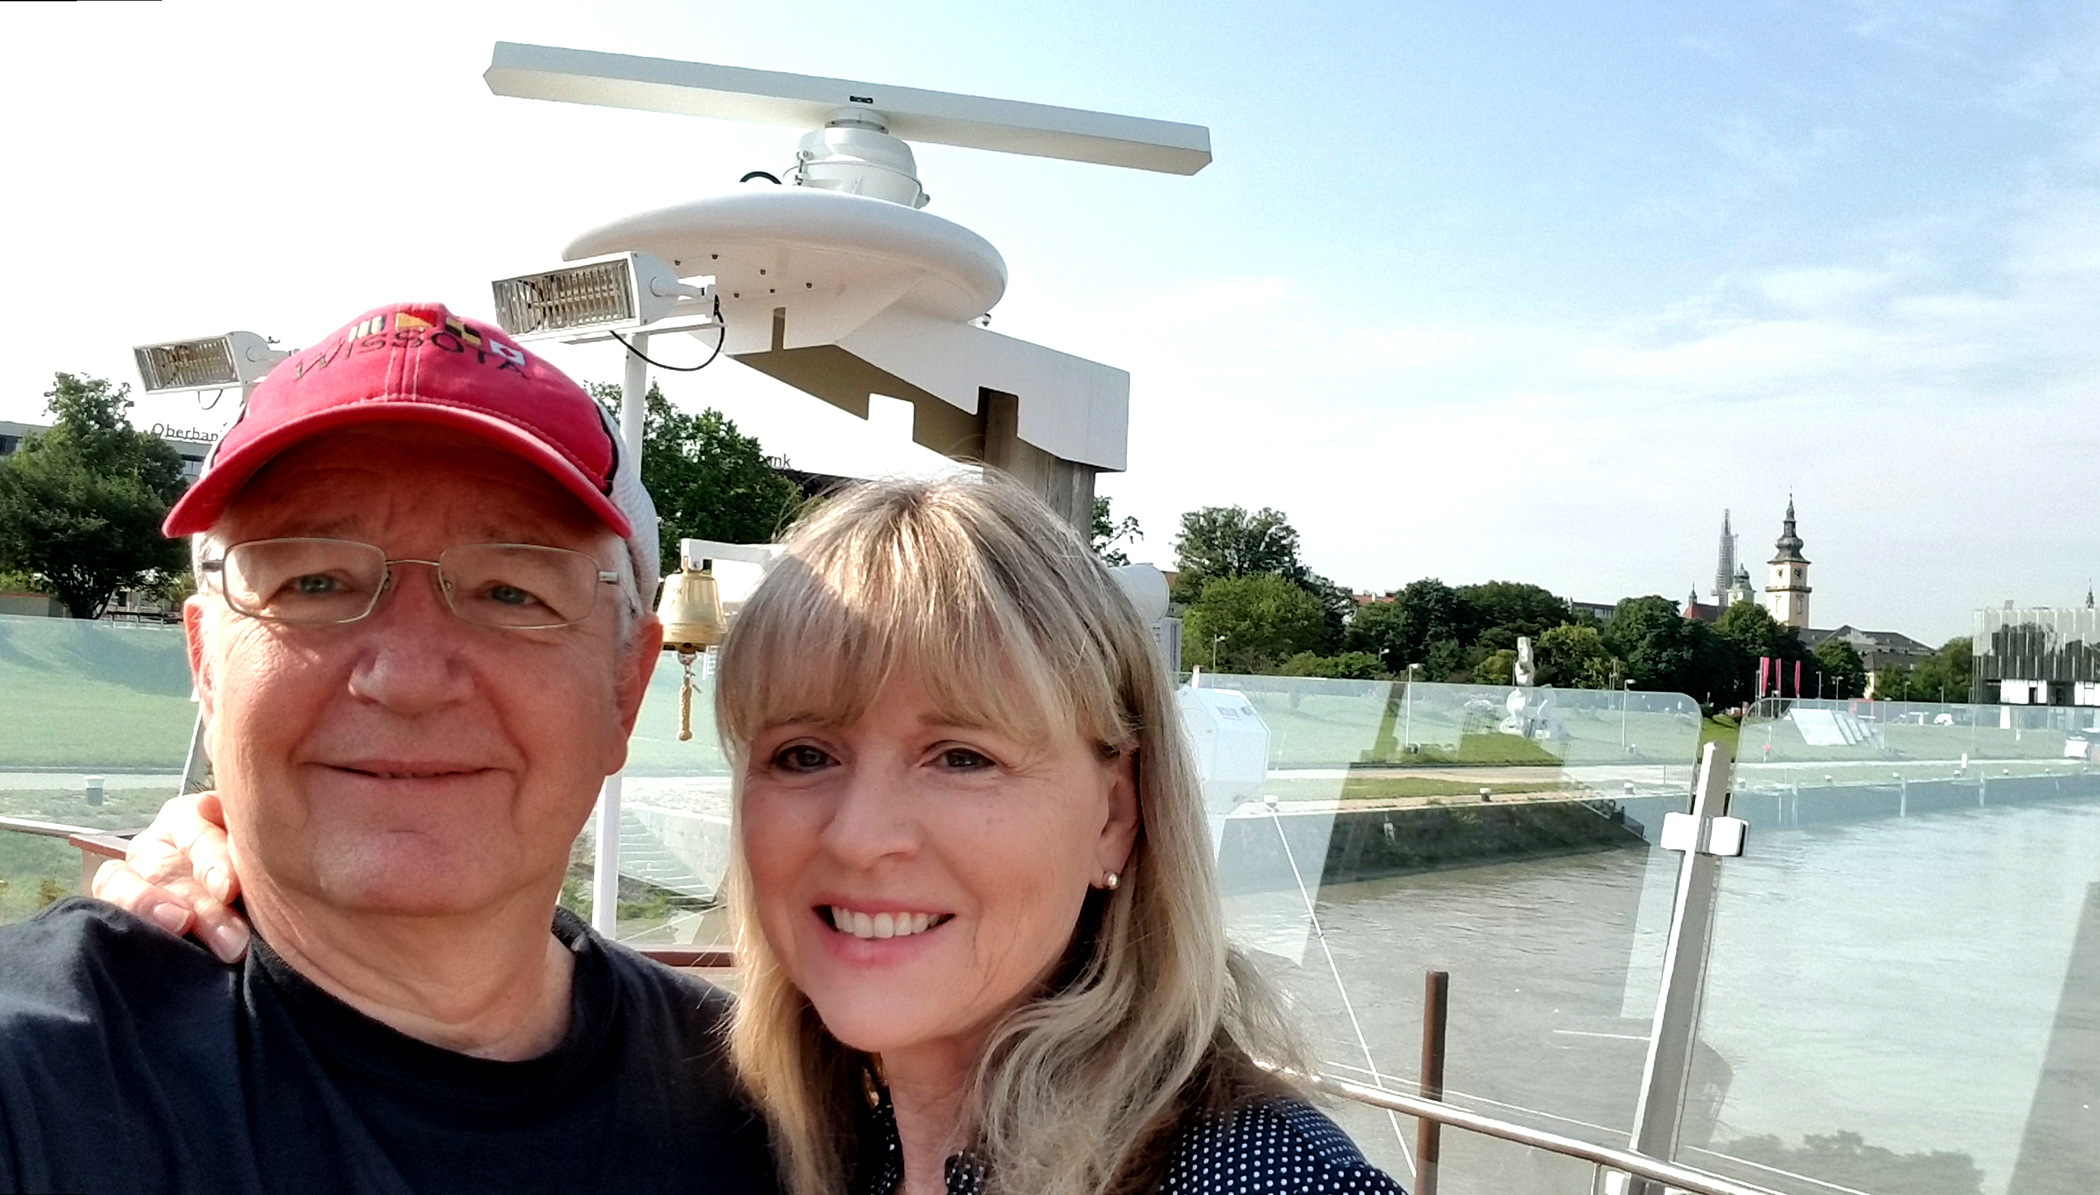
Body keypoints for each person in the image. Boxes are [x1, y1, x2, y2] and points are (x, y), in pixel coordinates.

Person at [101, 472, 1408, 1194]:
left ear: (1114, 809)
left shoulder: (1256, 1178)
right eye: (803, 754)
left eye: (961, 754)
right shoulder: (778, 1131)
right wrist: (254, 848)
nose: (862, 833)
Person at [0, 302, 777, 1195]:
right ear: (206, 665)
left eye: (510, 591)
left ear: (625, 689)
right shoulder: (39, 1077)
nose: (407, 677)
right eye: (315, 581)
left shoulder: (766, 1117)